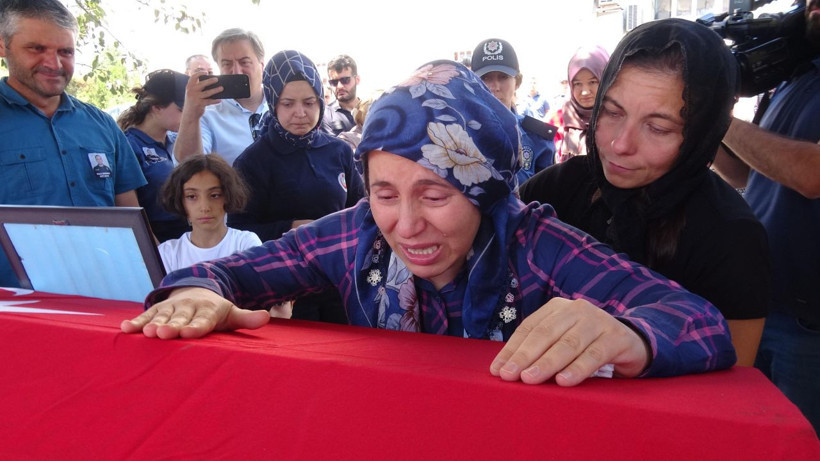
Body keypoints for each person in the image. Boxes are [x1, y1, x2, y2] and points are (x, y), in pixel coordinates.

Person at [121, 58, 736, 387]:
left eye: (436, 196)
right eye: (385, 191)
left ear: (485, 188)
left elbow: (701, 323)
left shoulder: (539, 244)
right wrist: (199, 291)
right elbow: (231, 273)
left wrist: (628, 334)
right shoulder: (358, 231)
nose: (405, 225)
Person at [519, 18, 770, 367]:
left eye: (658, 127)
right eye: (611, 112)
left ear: (703, 133)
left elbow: (729, 395)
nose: (620, 144)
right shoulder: (553, 189)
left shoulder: (732, 237)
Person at [712, 0, 820, 435]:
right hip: (760, 304)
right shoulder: (796, 74)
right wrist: (702, 117)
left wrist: (720, 118)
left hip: (809, 329)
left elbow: (810, 174)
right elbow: (744, 169)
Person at [0, 0, 146, 286]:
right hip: (15, 308)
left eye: (65, 51)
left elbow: (130, 216)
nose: (53, 64)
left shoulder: (102, 124)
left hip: (107, 293)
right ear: (3, 46)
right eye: (36, 48)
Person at [230, 49, 365, 324]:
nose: (300, 113)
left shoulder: (338, 151)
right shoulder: (253, 161)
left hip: (341, 281)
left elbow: (361, 209)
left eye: (309, 102)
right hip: (284, 290)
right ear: (273, 102)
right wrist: (290, 227)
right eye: (288, 103)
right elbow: (239, 230)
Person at [173, 28, 268, 166]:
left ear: (262, 65)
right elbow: (187, 167)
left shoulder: (283, 104)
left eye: (244, 62)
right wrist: (190, 114)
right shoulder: (207, 114)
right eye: (227, 64)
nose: (236, 71)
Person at [117, 69, 191, 242]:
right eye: (181, 109)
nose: (188, 115)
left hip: (191, 234)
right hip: (158, 236)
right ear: (157, 107)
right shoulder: (129, 146)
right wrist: (156, 251)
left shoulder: (178, 141)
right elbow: (130, 211)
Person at [157, 154, 261, 274]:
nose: (205, 207)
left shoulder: (245, 243)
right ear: (179, 200)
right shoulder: (167, 253)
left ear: (228, 196)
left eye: (214, 195)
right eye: (191, 197)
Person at [471, 38, 556, 184]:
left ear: (517, 82)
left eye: (503, 77)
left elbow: (548, 193)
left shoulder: (538, 137)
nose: (495, 87)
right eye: (485, 78)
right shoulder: (460, 134)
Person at [551, 45, 609, 163]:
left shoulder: (620, 118)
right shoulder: (557, 120)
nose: (585, 92)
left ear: (607, 80)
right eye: (577, 84)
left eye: (593, 82)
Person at [321, 54, 361, 136]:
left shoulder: (370, 110)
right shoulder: (325, 115)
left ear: (357, 80)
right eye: (334, 82)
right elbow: (333, 147)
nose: (339, 86)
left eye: (345, 80)